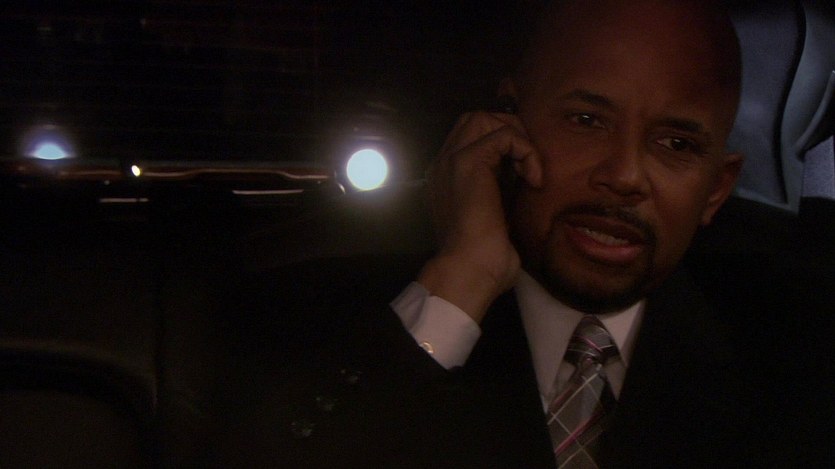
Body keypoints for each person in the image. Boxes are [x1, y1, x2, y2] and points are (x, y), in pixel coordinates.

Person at [214, 0, 832, 467]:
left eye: (676, 144)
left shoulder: (798, 356)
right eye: (586, 120)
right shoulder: (313, 308)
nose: (623, 176)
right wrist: (459, 286)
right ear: (505, 124)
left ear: (717, 188)